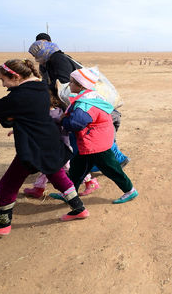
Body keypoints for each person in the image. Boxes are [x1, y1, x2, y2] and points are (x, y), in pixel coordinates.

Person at [0, 59, 88, 236]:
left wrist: (10, 118)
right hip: (50, 141)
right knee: (58, 176)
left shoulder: (20, 95)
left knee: (8, 184)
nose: (3, 85)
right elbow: (18, 115)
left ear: (16, 76)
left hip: (33, 147)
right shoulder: (42, 87)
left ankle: (3, 223)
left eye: (4, 80)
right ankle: (79, 208)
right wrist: (12, 118)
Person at [29, 36, 130, 168]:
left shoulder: (57, 60)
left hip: (83, 101)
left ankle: (113, 160)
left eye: (36, 54)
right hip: (84, 101)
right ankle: (110, 160)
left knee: (93, 132)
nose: (36, 58)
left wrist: (45, 88)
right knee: (95, 132)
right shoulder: (52, 60)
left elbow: (63, 82)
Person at [52, 68, 138, 204]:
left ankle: (130, 190)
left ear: (80, 85)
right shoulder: (88, 97)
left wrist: (63, 120)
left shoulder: (86, 103)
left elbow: (76, 123)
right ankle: (68, 194)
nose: (69, 85)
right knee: (76, 171)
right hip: (87, 143)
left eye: (71, 82)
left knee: (112, 169)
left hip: (96, 145)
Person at [22, 93, 99, 198]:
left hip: (59, 149)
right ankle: (38, 188)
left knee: (68, 167)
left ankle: (89, 182)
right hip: (58, 148)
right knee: (47, 168)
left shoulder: (49, 117)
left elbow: (38, 129)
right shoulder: (58, 111)